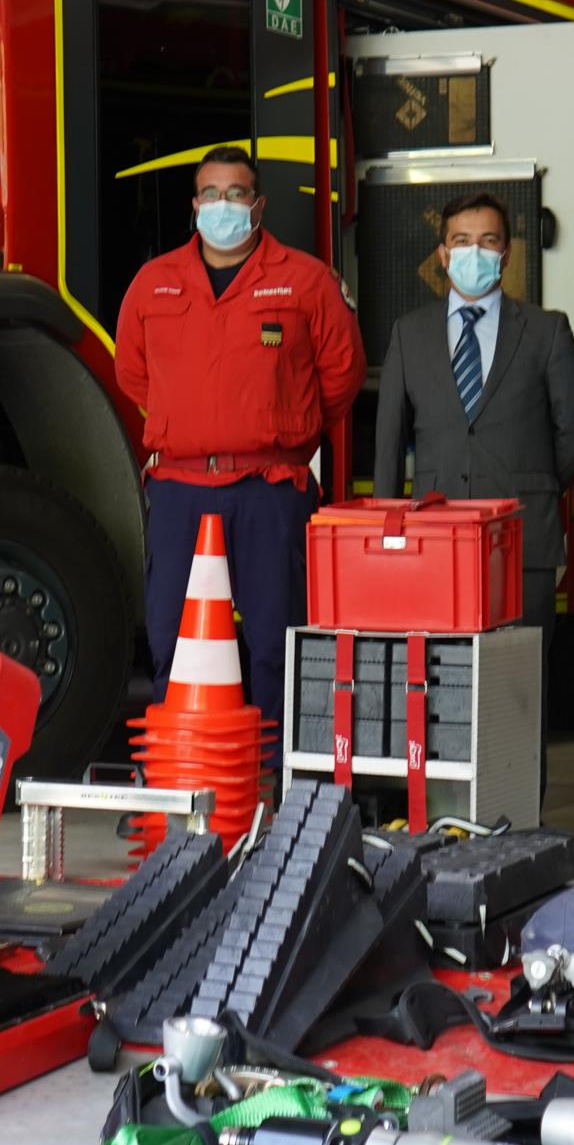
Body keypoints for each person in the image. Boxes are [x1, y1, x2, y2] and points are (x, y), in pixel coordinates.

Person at [114, 145, 364, 742]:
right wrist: (193, 422)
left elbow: (341, 375)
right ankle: (182, 765)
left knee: (277, 639)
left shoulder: (305, 280)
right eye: (211, 194)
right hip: (179, 488)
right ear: (194, 204)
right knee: (170, 635)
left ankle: (276, 773)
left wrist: (282, 425)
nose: (221, 205)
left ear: (258, 205)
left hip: (268, 488)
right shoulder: (154, 283)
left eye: (235, 194)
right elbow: (133, 374)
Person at [369, 192, 574, 641]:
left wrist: (536, 482)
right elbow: (388, 441)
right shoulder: (409, 334)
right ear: (443, 255)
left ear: (505, 254)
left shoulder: (547, 330)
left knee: (523, 671)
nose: (475, 251)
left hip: (525, 536)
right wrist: (386, 533)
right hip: (433, 536)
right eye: (462, 241)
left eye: (488, 241)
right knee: (440, 667)